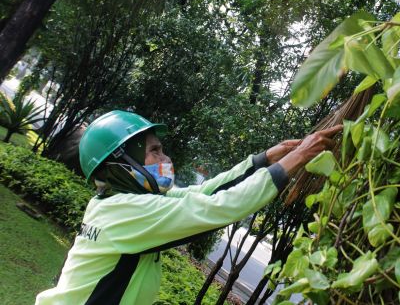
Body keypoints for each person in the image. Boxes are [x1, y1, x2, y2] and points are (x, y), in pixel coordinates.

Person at [35, 110, 342, 305]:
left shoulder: (118, 204)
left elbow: (203, 193)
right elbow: (219, 207)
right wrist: (297, 158)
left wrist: (261, 160)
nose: (165, 158)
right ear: (121, 163)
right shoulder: (130, 212)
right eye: (155, 151)